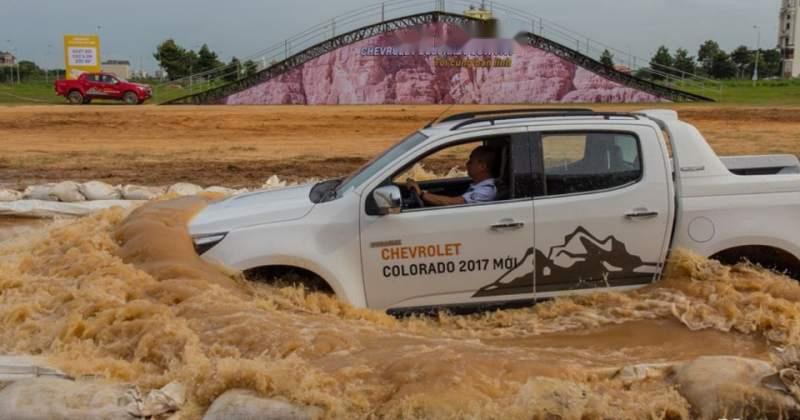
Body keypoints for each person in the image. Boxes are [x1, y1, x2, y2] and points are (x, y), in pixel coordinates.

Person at [406, 145, 497, 207]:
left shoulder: (486, 190)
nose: (467, 164)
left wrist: (422, 195)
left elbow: (454, 202)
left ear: (482, 166)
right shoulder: (476, 185)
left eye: (471, 162)